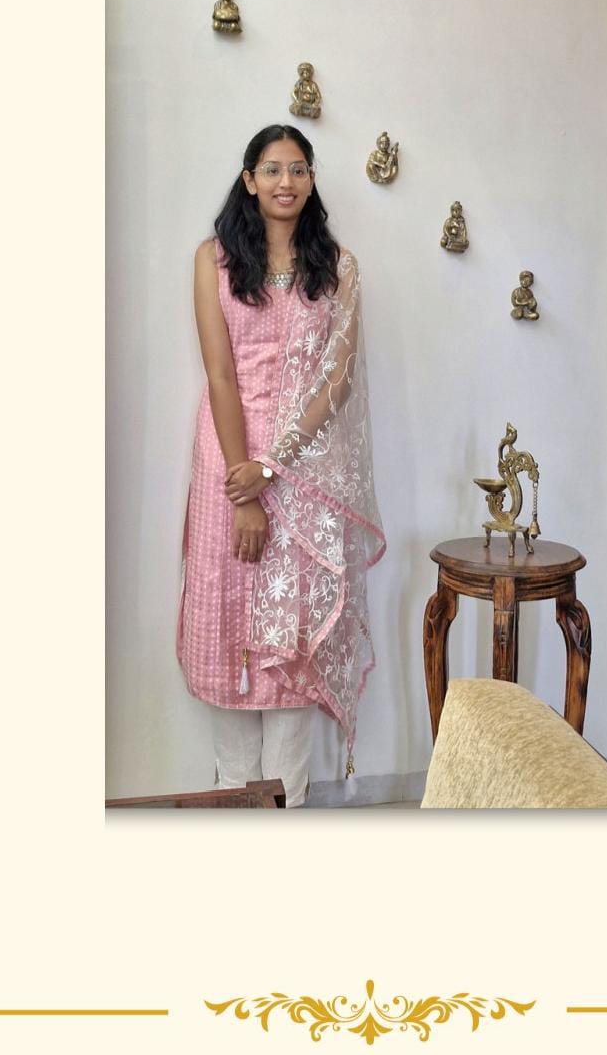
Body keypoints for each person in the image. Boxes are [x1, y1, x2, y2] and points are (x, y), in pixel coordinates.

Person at [176, 124, 385, 806]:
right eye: (271, 169)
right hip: (227, 460)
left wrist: (275, 467)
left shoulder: (339, 267)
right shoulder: (214, 260)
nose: (285, 182)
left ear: (312, 179)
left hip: (305, 469)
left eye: (298, 169)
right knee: (228, 631)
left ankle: (286, 812)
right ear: (249, 180)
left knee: (292, 644)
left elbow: (338, 381)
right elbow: (221, 375)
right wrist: (246, 486)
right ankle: (235, 806)